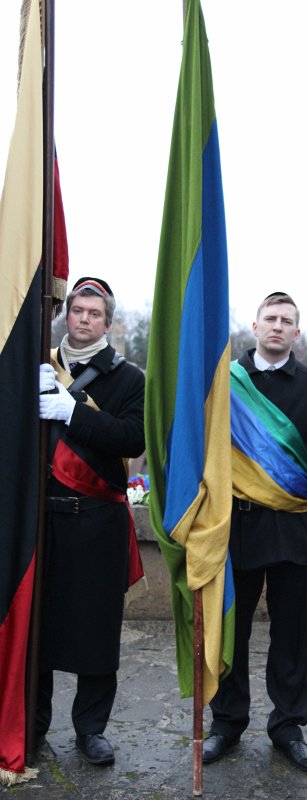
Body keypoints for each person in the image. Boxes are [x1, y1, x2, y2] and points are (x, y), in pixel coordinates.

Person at [203, 292, 307, 772]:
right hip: (236, 529)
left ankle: (288, 726)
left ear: (297, 333)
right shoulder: (224, 382)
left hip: (293, 531)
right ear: (254, 325)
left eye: (287, 321)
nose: (278, 327)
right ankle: (226, 722)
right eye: (271, 319)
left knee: (291, 636)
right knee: (232, 632)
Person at [37, 277, 145, 766]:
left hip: (98, 519)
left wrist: (72, 410)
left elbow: (131, 439)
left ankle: (91, 730)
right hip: (40, 521)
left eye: (94, 313)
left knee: (98, 631)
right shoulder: (35, 365)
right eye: (77, 310)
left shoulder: (128, 378)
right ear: (66, 314)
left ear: (107, 321)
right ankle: (33, 723)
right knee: (36, 625)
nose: (83, 319)